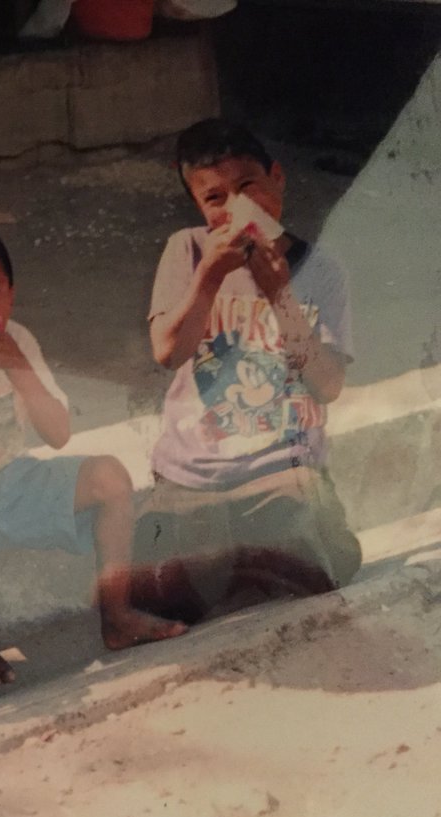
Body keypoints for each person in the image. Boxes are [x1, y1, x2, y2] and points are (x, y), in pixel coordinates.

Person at [0, 218, 187, 676]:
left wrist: (21, 371)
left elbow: (58, 434)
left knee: (109, 475)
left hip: (13, 481)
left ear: (10, 293)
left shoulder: (19, 340)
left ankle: (117, 613)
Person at [135, 117, 361, 616]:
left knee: (325, 570)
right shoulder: (188, 250)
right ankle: (234, 561)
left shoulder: (320, 269)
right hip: (194, 474)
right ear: (198, 205)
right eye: (215, 198)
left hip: (279, 468)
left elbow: (327, 386)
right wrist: (210, 278)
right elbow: (169, 352)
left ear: (277, 178)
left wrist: (281, 295)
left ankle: (248, 557)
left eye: (247, 187)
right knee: (162, 595)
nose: (236, 208)